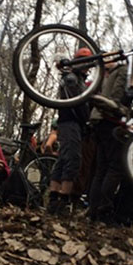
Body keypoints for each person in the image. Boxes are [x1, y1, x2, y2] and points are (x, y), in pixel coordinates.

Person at [47, 48, 91, 215]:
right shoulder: (72, 78)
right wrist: (86, 120)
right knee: (72, 160)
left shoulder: (76, 78)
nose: (87, 67)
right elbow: (77, 103)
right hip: (70, 122)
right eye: (84, 61)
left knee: (64, 159)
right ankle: (62, 201)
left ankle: (54, 200)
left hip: (71, 123)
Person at [88, 61, 127, 224]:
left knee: (102, 168)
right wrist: (120, 111)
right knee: (115, 167)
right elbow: (117, 96)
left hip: (98, 120)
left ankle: (93, 211)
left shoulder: (102, 75)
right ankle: (104, 210)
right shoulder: (121, 71)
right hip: (111, 120)